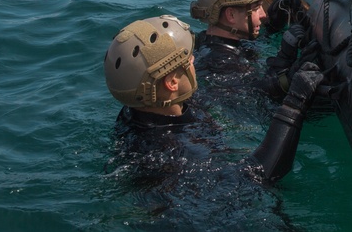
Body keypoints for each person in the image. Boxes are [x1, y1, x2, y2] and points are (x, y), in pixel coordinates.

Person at [103, 14, 324, 199]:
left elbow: (241, 95)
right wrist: (295, 104)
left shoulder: (146, 109)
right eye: (188, 59)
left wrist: (283, 62)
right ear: (171, 83)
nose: (194, 62)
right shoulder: (172, 152)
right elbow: (255, 177)